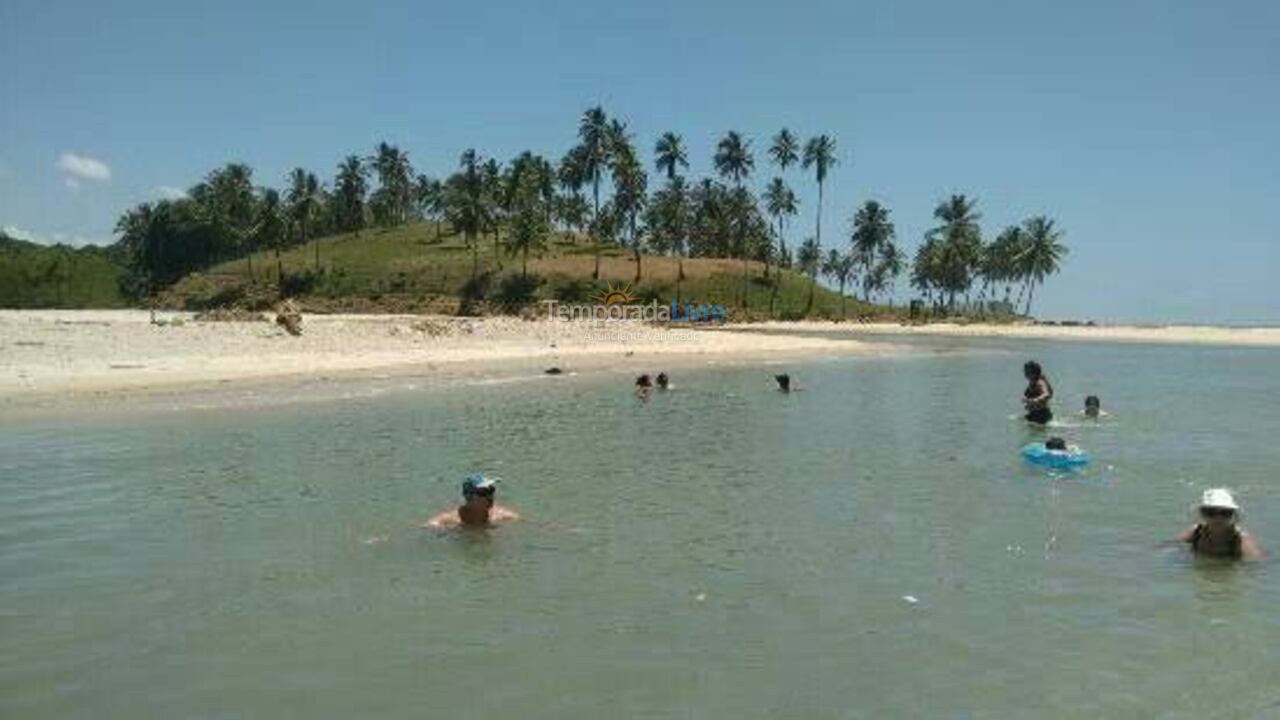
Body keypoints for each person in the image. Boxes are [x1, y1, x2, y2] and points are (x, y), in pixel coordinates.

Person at [1177, 488, 1262, 560]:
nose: (1218, 518)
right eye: (1211, 512)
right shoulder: (1196, 532)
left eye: (1225, 513)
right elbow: (1171, 547)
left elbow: (1257, 564)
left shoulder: (1240, 540)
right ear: (1202, 514)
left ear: (1232, 515)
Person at [425, 474, 520, 528]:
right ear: (468, 496)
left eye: (491, 490)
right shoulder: (447, 521)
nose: (489, 496)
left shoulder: (505, 517)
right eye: (484, 492)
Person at [1022, 361, 1054, 425]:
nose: (1024, 372)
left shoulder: (1039, 382)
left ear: (1032, 371)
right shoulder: (1032, 382)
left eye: (1026, 370)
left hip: (1041, 416)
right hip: (1034, 415)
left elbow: (1046, 394)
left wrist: (1035, 400)